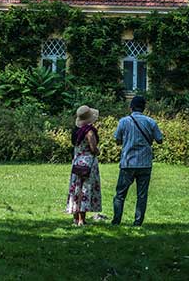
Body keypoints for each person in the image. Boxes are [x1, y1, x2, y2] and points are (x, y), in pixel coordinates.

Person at [111, 95, 163, 226]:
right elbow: (160, 140)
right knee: (142, 195)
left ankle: (116, 220)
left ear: (131, 107)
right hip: (145, 163)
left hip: (127, 162)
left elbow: (117, 139)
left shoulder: (123, 121)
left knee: (120, 194)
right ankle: (138, 222)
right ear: (144, 108)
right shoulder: (151, 122)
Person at [66, 105, 102, 226]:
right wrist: (98, 151)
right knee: (85, 189)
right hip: (87, 163)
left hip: (77, 162)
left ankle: (76, 218)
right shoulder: (89, 131)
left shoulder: (76, 131)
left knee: (76, 189)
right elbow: (93, 148)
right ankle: (82, 220)